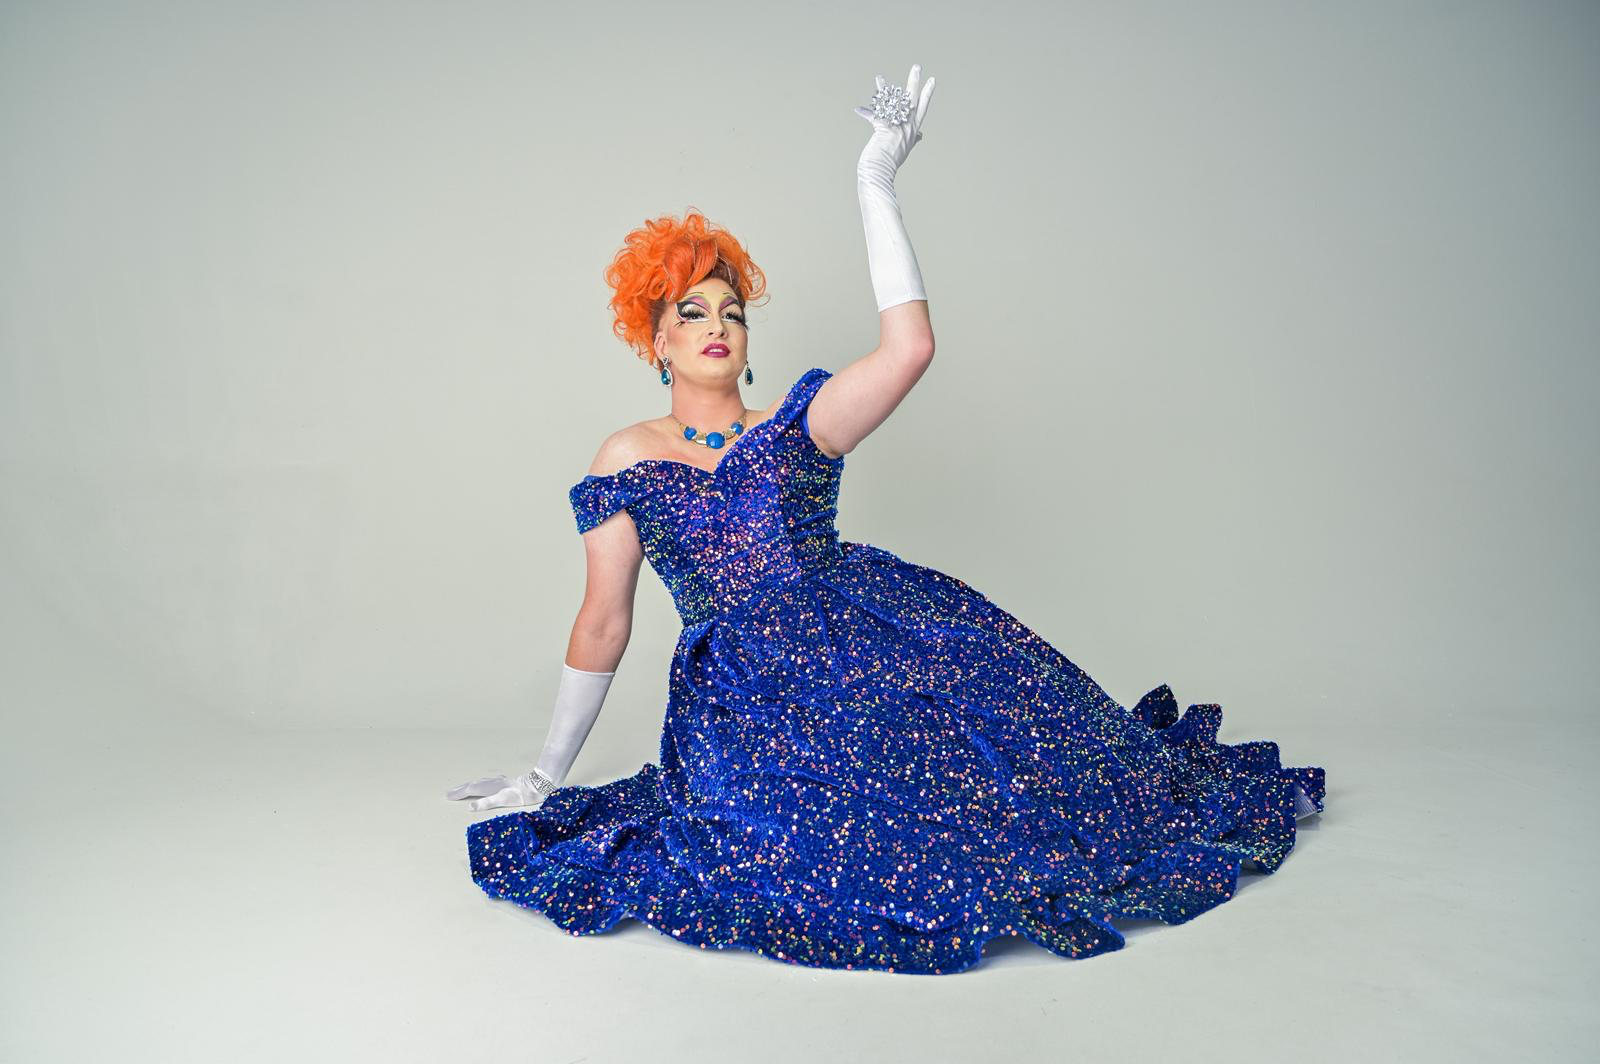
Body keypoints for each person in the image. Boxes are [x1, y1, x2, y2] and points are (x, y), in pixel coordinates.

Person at [447, 65, 1325, 975]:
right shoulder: (625, 457)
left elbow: (912, 347)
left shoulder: (798, 424)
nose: (718, 326)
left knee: (1000, 787)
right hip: (748, 704)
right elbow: (604, 619)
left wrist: (876, 182)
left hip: (873, 643)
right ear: (656, 338)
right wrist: (547, 773)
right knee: (798, 848)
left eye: (733, 313)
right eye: (691, 312)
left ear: (748, 342)